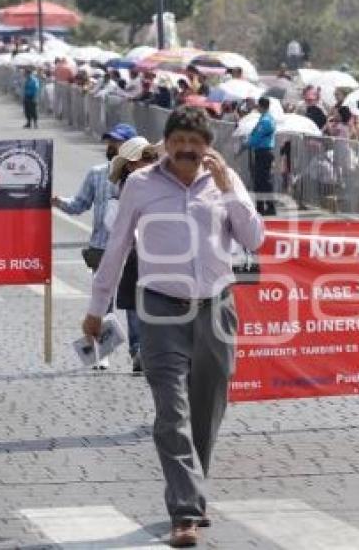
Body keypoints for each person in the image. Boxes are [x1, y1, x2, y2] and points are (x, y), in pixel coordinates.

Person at [81, 106, 264, 547]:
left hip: (216, 308)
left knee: (207, 410)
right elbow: (117, 246)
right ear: (166, 143)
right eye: (178, 141)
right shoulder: (141, 185)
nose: (185, 150)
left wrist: (228, 191)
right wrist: (96, 307)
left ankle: (192, 494)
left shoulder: (227, 181)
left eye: (194, 143)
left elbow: (255, 239)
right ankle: (184, 511)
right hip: (160, 310)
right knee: (172, 412)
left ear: (207, 147)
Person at [53, 123, 137, 368]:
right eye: (110, 141)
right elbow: (79, 204)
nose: (111, 146)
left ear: (131, 147)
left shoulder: (143, 176)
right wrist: (58, 201)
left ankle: (138, 353)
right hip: (102, 247)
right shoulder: (96, 173)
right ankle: (103, 352)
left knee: (134, 303)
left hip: (134, 249)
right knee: (103, 301)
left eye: (117, 142)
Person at [105, 137, 161, 373]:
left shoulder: (165, 181)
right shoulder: (127, 188)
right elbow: (117, 229)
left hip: (164, 256)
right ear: (130, 166)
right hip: (136, 253)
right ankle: (138, 349)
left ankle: (153, 349)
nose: (150, 163)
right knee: (134, 302)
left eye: (152, 158)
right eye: (144, 159)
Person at [247, 97, 277, 216]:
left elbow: (257, 137)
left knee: (262, 181)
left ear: (261, 106)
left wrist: (246, 143)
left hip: (263, 152)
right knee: (261, 180)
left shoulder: (265, 121)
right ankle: (261, 206)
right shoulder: (266, 119)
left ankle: (268, 206)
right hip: (263, 152)